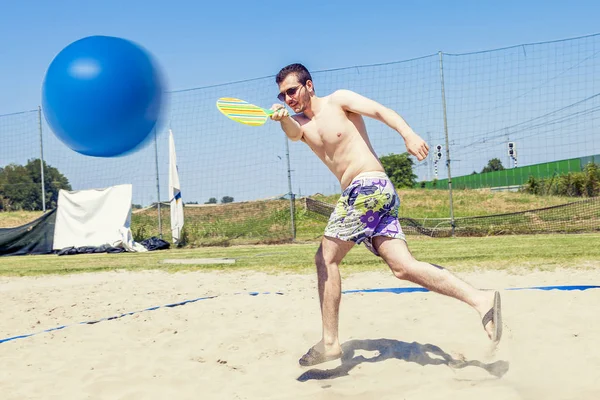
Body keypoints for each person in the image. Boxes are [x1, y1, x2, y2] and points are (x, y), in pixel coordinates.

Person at [270, 63, 502, 367]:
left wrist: (408, 133)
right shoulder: (300, 123)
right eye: (282, 94)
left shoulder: (338, 100)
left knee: (325, 259)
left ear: (309, 85)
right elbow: (293, 133)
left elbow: (381, 111)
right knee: (403, 268)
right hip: (370, 196)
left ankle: (329, 343)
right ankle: (481, 300)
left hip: (368, 187)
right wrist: (282, 118)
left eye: (292, 90)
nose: (288, 97)